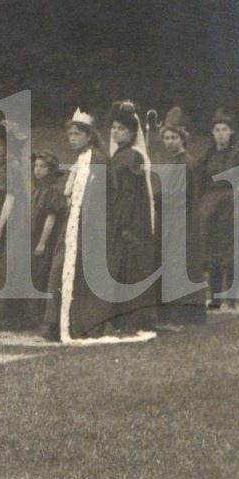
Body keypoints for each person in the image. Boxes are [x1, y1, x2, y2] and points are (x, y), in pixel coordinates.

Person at [45, 109, 119, 342]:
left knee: (82, 273)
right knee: (60, 269)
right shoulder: (81, 160)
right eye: (70, 134)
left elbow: (100, 196)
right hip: (73, 224)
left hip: (89, 225)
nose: (72, 138)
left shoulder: (96, 159)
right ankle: (57, 322)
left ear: (88, 136)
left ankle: (83, 323)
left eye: (77, 134)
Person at [105, 102, 158, 334]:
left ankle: (131, 316)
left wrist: (122, 223)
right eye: (113, 127)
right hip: (123, 216)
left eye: (120, 128)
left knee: (129, 263)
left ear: (132, 132)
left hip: (129, 220)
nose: (115, 131)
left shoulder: (130, 157)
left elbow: (127, 194)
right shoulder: (121, 154)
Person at [153, 108, 208, 326]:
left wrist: (155, 199)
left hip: (181, 221)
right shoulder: (170, 163)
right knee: (169, 263)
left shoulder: (186, 163)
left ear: (182, 139)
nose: (169, 142)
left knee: (179, 264)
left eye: (173, 137)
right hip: (169, 220)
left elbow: (177, 196)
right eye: (166, 138)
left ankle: (184, 313)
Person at [0, 119, 30, 332]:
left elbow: (10, 197)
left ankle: (3, 318)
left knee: (2, 265)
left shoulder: (12, 165)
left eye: (1, 143)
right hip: (0, 214)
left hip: (9, 218)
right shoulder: (3, 165)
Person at [197, 108, 239, 309]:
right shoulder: (207, 155)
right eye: (217, 129)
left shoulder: (237, 157)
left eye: (224, 129)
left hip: (230, 203)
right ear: (212, 133)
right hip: (210, 205)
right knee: (212, 253)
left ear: (231, 132)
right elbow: (199, 178)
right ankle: (216, 297)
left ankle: (232, 298)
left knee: (231, 253)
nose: (220, 133)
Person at [26, 149, 67, 331]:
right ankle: (34, 315)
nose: (38, 169)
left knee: (42, 273)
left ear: (51, 170)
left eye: (43, 166)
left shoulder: (50, 191)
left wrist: (42, 242)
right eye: (36, 166)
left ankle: (44, 315)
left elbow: (51, 217)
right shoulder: (39, 188)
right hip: (35, 234)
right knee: (35, 273)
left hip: (45, 238)